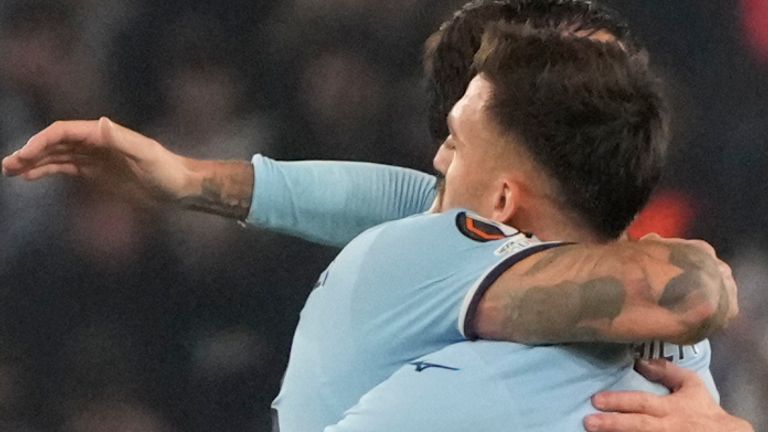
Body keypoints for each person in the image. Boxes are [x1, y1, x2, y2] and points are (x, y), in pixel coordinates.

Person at [0, 0, 746, 430]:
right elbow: (690, 287)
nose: (436, 165)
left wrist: (190, 179)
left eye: (456, 142)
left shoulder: (436, 255)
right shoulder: (681, 356)